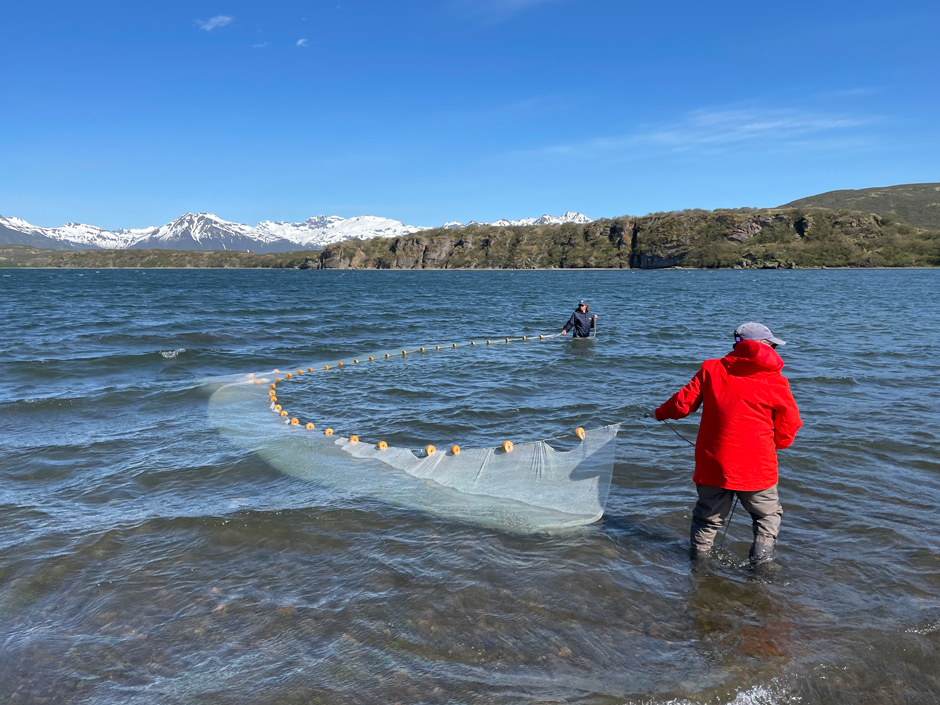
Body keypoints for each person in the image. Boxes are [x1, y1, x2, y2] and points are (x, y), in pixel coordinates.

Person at [651, 322, 802, 564]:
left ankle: (699, 570)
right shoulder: (776, 380)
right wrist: (776, 444)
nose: (775, 349)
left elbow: (682, 404)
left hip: (714, 463)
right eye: (774, 345)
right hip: (757, 466)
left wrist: (658, 414)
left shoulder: (712, 369)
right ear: (765, 346)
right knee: (766, 517)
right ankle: (761, 570)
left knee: (706, 519)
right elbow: (790, 424)